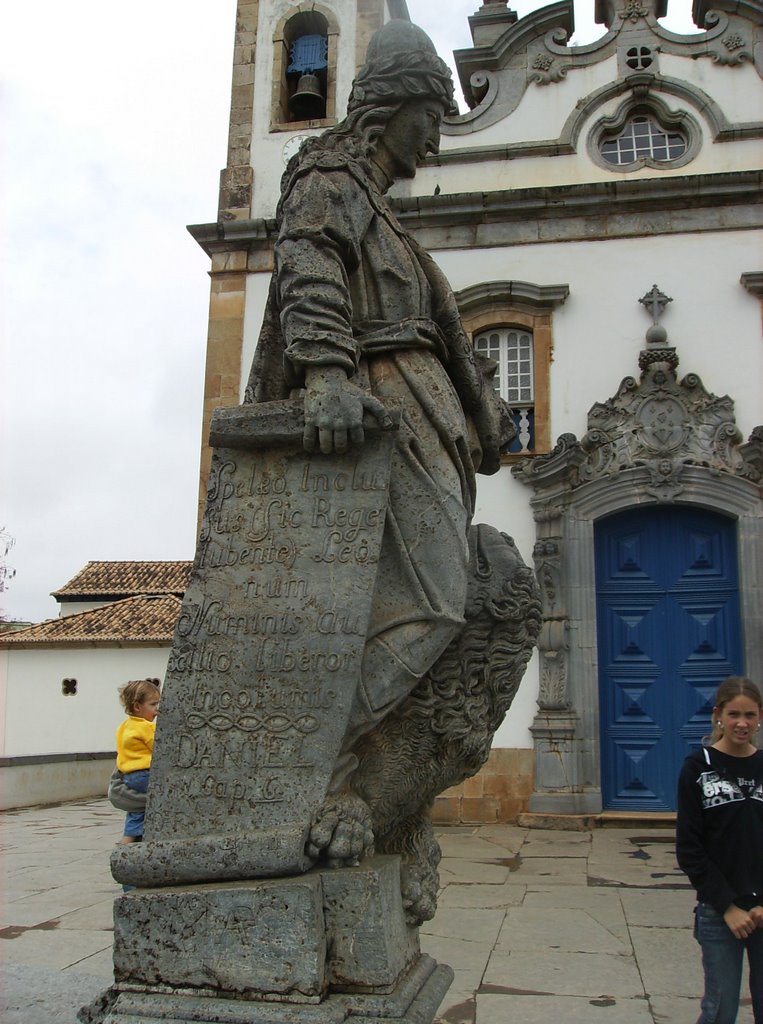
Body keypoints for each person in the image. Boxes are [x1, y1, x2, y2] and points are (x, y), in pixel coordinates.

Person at [246, 21, 512, 809]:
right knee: (432, 601)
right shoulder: (329, 175)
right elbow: (309, 261)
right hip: (383, 398)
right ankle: (311, 756)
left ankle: (333, 763)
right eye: (431, 116)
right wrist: (328, 371)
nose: (435, 139)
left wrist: (479, 411)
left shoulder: (384, 210)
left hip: (419, 409)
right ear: (391, 107)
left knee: (426, 596)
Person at [676, 676, 763, 1024]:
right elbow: (690, 849)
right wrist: (727, 906)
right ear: (718, 715)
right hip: (718, 912)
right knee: (720, 1007)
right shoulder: (698, 767)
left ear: (760, 717)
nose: (742, 723)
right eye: (734, 714)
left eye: (750, 715)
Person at [115, 679, 160, 844]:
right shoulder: (147, 727)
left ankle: (127, 838)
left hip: (128, 775)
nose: (157, 709)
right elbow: (161, 750)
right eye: (153, 704)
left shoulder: (125, 726)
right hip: (144, 773)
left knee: (137, 807)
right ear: (137, 706)